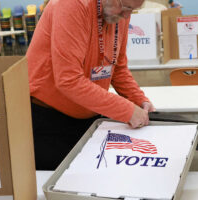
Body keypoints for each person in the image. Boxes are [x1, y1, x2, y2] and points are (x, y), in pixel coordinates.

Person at [27, 0, 156, 170]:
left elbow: (117, 68)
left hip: (90, 116)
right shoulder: (72, 5)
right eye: (126, 7)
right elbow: (69, 80)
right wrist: (126, 110)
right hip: (50, 122)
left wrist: (139, 100)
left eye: (133, 10)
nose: (127, 16)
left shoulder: (118, 14)